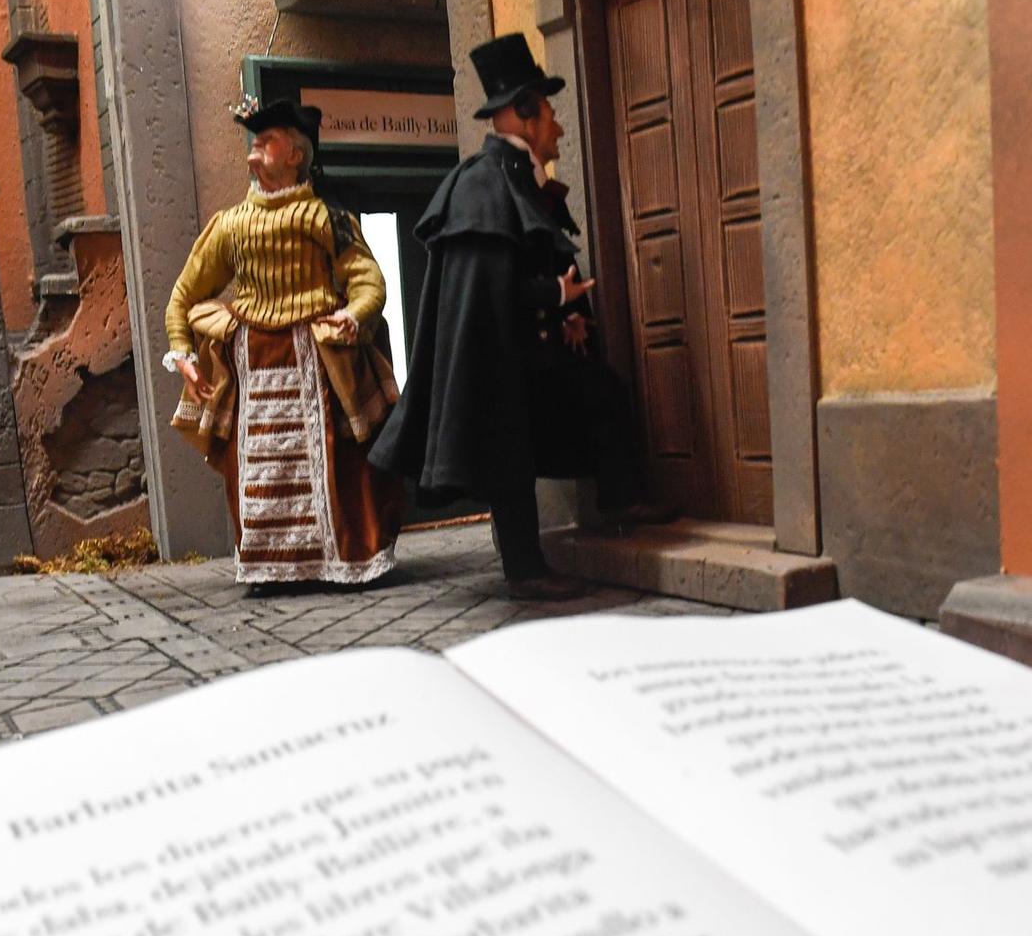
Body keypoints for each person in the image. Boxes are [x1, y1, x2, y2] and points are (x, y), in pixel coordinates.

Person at [369, 34, 671, 601]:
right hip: (498, 359)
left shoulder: (516, 178)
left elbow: (529, 257)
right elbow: (491, 287)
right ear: (524, 114)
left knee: (600, 394)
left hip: (532, 350)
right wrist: (554, 297)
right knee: (510, 458)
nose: (557, 126)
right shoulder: (481, 183)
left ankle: (619, 498)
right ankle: (526, 570)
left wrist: (567, 314)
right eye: (549, 112)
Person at [164, 96, 403, 591]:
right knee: (251, 463)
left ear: (295, 154)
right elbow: (185, 294)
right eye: (253, 144)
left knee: (344, 461)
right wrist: (183, 354)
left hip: (320, 361)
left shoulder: (326, 219)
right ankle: (271, 564)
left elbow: (368, 281)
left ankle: (342, 557)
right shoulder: (230, 226)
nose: (254, 154)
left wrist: (353, 316)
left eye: (266, 142)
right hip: (252, 362)